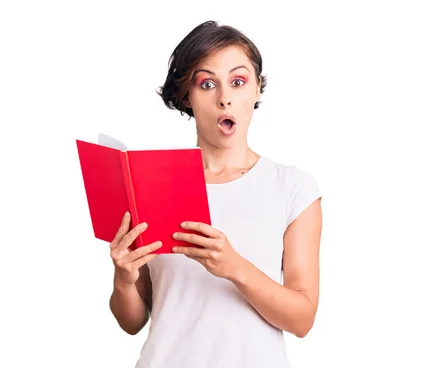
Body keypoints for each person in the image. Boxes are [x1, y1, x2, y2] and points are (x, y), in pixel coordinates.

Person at [107, 20, 323, 368]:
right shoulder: (151, 184)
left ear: (256, 90)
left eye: (238, 82)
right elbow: (133, 321)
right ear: (186, 97)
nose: (225, 98)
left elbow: (302, 319)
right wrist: (123, 278)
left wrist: (234, 266)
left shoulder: (293, 188)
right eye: (207, 84)